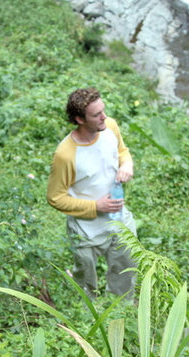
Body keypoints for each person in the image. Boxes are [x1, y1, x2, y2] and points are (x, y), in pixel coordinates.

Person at [47, 87, 137, 299]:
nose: (104, 117)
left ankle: (122, 313)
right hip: (86, 232)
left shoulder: (110, 127)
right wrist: (95, 206)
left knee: (126, 270)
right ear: (79, 119)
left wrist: (126, 165)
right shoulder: (65, 154)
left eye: (103, 111)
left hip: (119, 220)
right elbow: (55, 197)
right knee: (86, 284)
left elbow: (122, 151)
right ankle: (89, 319)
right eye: (97, 115)